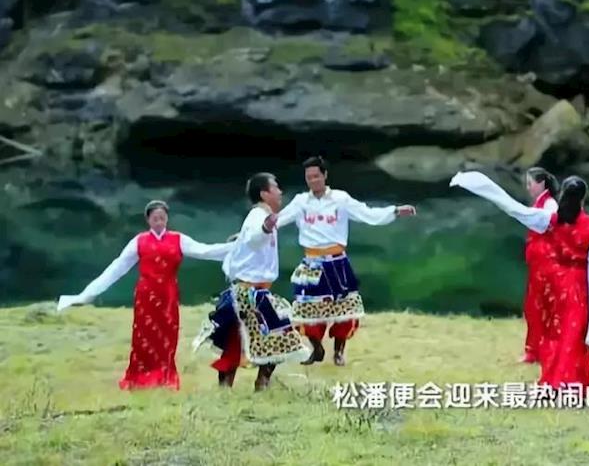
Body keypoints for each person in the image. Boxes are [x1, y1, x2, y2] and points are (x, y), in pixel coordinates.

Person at [450, 171, 589, 394]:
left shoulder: (549, 219)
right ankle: (571, 384)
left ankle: (552, 382)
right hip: (576, 286)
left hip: (553, 285)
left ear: (563, 193)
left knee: (554, 333)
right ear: (583, 197)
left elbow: (513, 208)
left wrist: (478, 184)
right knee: (573, 335)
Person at [57, 200, 234, 390]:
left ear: (167, 219)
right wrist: (89, 293)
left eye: (162, 218)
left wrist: (238, 245)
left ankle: (165, 376)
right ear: (148, 220)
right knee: (143, 336)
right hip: (146, 295)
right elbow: (117, 267)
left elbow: (205, 251)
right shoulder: (139, 241)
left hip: (168, 294)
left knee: (168, 335)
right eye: (155, 218)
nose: (159, 222)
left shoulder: (178, 239)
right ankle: (140, 377)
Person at [274, 156, 416, 366]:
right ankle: (317, 348)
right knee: (306, 310)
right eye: (309, 177)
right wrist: (248, 234)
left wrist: (394, 211)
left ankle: (339, 351)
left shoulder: (341, 199)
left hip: (337, 263)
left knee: (346, 311)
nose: (313, 181)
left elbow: (367, 214)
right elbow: (276, 221)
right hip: (311, 264)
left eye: (316, 176)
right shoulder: (300, 202)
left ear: (325, 175)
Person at [194, 173, 311, 391]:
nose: (280, 192)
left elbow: (249, 238)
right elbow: (255, 238)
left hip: (259, 291)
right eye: (275, 188)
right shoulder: (258, 217)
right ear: (265, 194)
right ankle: (237, 386)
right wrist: (265, 228)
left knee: (274, 337)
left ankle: (258, 383)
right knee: (248, 338)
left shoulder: (265, 216)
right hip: (248, 294)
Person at [521, 167, 560, 364]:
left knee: (542, 306)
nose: (528, 188)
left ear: (541, 183)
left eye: (530, 183)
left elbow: (551, 229)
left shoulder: (550, 204)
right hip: (537, 263)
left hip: (546, 264)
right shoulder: (539, 204)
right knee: (533, 306)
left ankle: (542, 349)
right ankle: (533, 349)